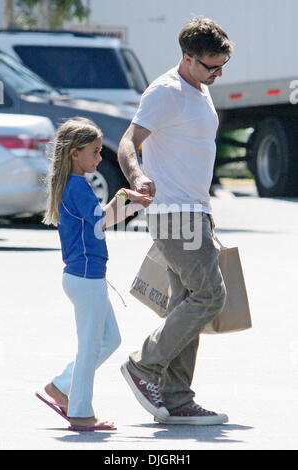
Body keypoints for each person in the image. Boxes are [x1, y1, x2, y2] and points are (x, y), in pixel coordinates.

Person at [118, 16, 234, 425]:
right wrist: (138, 176)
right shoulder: (166, 91)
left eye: (222, 66)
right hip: (174, 213)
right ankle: (144, 365)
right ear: (187, 58)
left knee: (189, 302)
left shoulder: (198, 88)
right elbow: (128, 142)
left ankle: (178, 398)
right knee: (210, 297)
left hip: (193, 210)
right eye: (211, 66)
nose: (218, 73)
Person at [36, 117, 152, 432]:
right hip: (85, 278)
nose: (100, 158)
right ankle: (80, 413)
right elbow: (102, 220)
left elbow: (102, 222)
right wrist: (127, 198)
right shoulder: (77, 186)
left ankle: (61, 386)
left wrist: (130, 202)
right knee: (89, 347)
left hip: (87, 277)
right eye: (95, 152)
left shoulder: (76, 185)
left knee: (109, 339)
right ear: (74, 153)